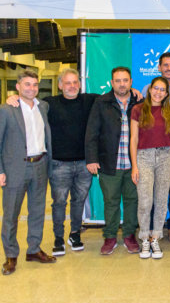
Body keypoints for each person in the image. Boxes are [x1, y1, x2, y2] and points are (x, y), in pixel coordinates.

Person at [5, 69, 143, 256]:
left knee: (79, 201)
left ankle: (75, 234)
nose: (72, 86)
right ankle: (58, 238)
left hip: (83, 163)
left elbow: (118, 92)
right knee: (59, 202)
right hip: (58, 164)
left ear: (80, 84)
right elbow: (27, 100)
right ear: (60, 85)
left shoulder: (91, 101)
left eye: (75, 82)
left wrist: (134, 90)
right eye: (67, 83)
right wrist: (12, 98)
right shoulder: (48, 104)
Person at [0, 70, 55, 275]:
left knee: (37, 211)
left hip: (40, 164)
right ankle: (11, 255)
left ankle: (33, 250)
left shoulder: (43, 107)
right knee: (11, 214)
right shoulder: (7, 110)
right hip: (15, 168)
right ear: (18, 87)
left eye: (34, 85)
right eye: (27, 84)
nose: (31, 88)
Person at [85, 67, 140, 255]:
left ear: (131, 82)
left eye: (125, 80)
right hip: (110, 164)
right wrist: (92, 158)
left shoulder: (139, 102)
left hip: (134, 165)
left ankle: (130, 235)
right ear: (112, 82)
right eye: (118, 80)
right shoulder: (101, 102)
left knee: (133, 201)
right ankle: (109, 237)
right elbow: (92, 132)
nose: (122, 84)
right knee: (111, 202)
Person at [130, 76, 170, 259]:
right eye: (155, 88)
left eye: (162, 90)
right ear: (150, 89)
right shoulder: (138, 109)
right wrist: (134, 165)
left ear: (166, 94)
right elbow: (133, 139)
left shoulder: (169, 111)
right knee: (145, 201)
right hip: (144, 157)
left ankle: (155, 236)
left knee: (161, 200)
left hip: (165, 156)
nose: (158, 92)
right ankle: (144, 239)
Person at [141, 52, 170, 243]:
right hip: (151, 148)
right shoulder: (146, 90)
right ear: (159, 67)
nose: (168, 68)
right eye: (165, 65)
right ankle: (149, 230)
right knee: (148, 193)